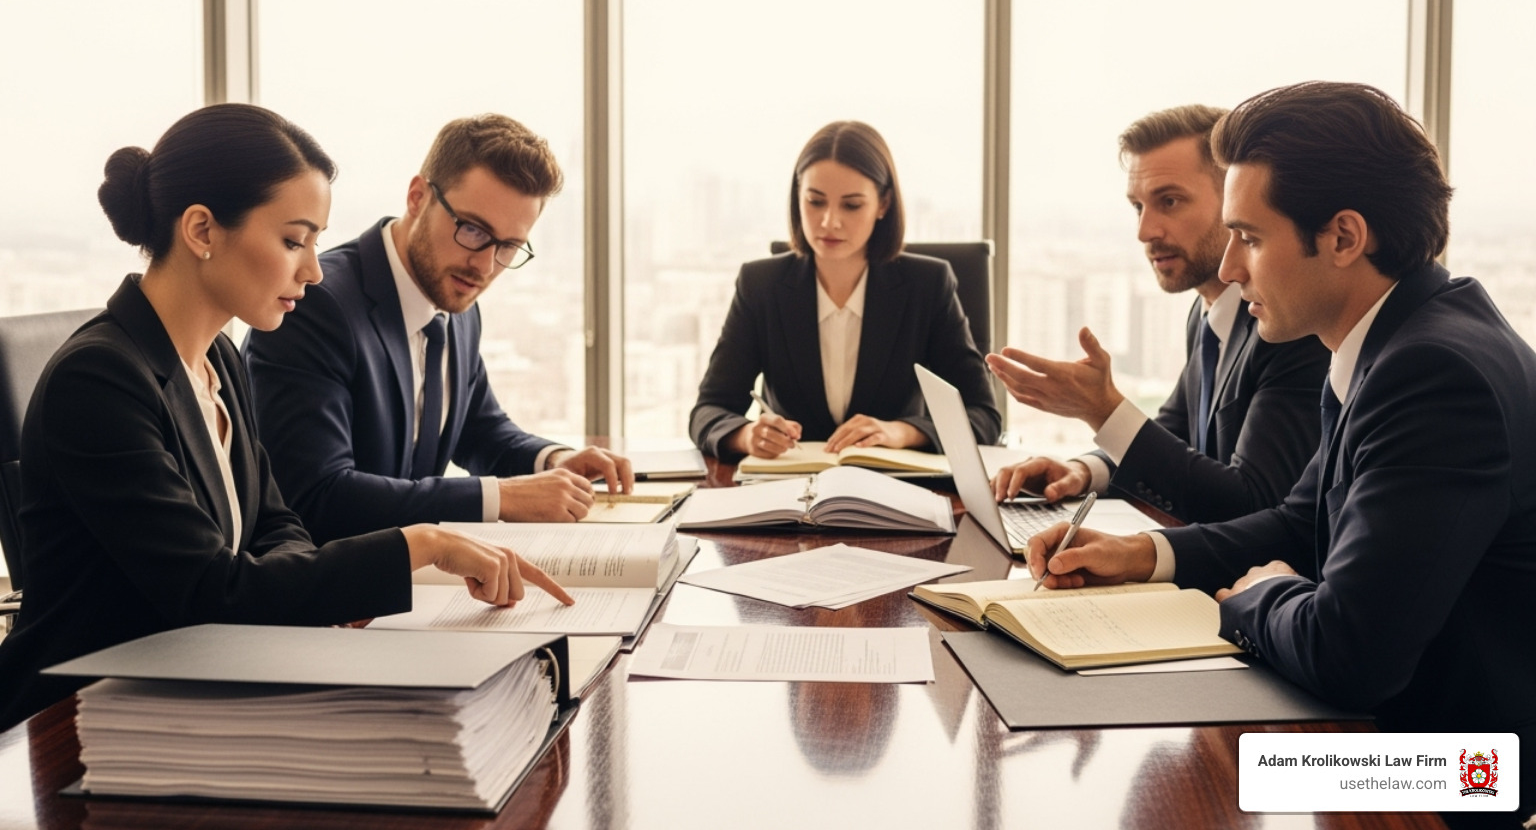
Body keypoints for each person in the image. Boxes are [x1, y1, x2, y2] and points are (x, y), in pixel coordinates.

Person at [1027, 82, 1536, 828]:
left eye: (1252, 238)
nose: (1230, 268)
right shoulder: (1391, 340)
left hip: (1456, 770)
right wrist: (1143, 555)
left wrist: (1257, 598)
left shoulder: (1434, 375)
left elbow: (1349, 654)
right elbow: (1301, 523)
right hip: (1403, 729)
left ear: (1343, 237)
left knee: (1162, 780)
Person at [0, 104, 571, 731]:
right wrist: (419, 544)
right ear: (201, 230)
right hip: (79, 724)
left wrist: (326, 592)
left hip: (199, 688)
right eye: (293, 240)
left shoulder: (215, 356)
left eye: (317, 242)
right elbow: (206, 589)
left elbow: (275, 523)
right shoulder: (101, 380)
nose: (315, 269)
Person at [244, 114, 633, 545]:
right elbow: (316, 497)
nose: (485, 266)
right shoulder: (316, 304)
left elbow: (478, 429)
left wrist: (554, 460)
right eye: (472, 230)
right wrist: (499, 498)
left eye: (508, 247)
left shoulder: (457, 300)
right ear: (417, 197)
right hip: (325, 595)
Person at [988, 106, 1329, 521]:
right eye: (1138, 206)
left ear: (1235, 200)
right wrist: (1084, 470)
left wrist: (1103, 410)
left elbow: (1250, 501)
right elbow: (1175, 430)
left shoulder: (1291, 325)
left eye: (1169, 201)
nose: (1145, 231)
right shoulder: (1207, 314)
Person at [690, 120, 1000, 461]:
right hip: (793, 495)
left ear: (883, 204)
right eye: (815, 202)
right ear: (798, 197)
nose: (829, 222)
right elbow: (709, 410)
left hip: (898, 496)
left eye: (851, 205)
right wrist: (747, 435)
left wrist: (900, 431)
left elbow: (983, 416)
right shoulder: (760, 285)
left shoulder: (927, 285)